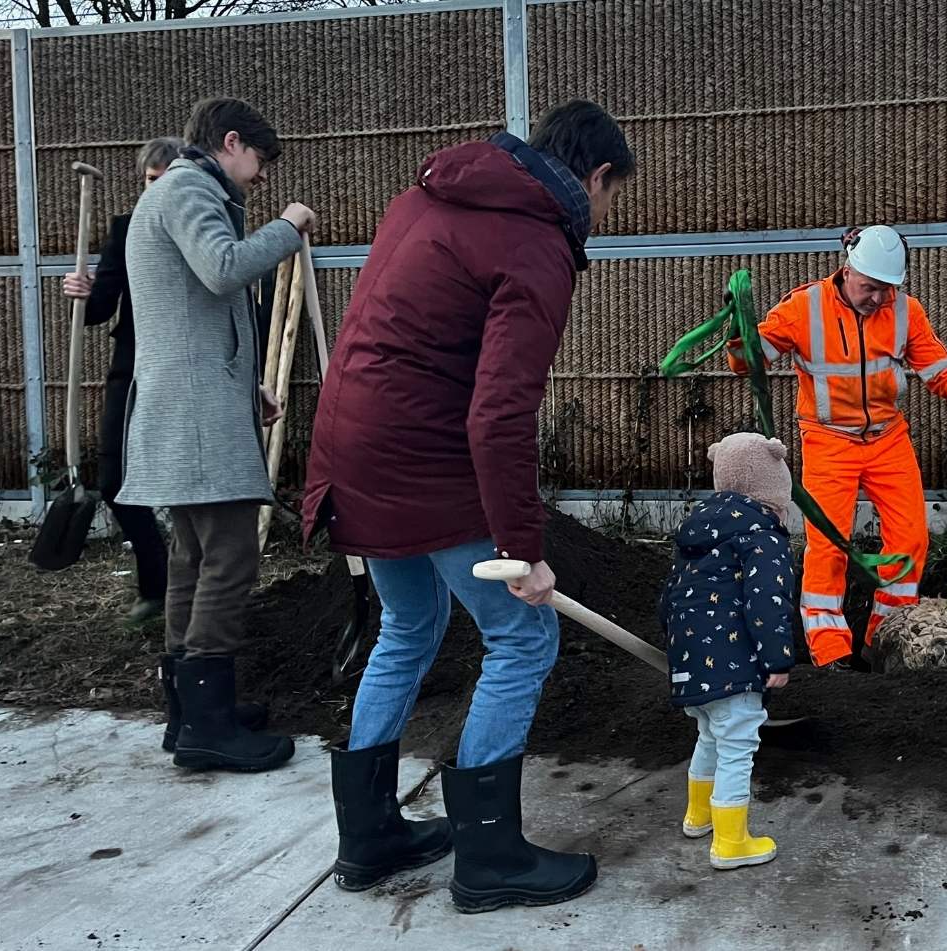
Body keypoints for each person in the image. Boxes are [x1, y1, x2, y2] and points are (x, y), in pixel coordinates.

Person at [301, 100, 634, 911]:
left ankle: (369, 836)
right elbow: (499, 410)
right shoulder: (534, 242)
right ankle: (488, 857)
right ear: (593, 176)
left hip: (353, 442)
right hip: (427, 456)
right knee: (522, 636)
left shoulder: (423, 200)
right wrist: (524, 545)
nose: (607, 211)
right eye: (613, 194)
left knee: (408, 625)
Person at [120, 97, 316, 772]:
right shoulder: (187, 189)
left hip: (194, 403)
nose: (260, 178)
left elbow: (192, 306)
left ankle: (191, 714)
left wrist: (245, 385)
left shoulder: (180, 191)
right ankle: (205, 722)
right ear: (231, 142)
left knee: (193, 559)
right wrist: (287, 228)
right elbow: (224, 268)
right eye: (259, 161)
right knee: (229, 557)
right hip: (196, 417)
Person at [728, 225, 947, 671]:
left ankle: (885, 638)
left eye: (887, 289)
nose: (878, 298)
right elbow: (748, 361)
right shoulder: (804, 308)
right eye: (870, 287)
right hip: (827, 440)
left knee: (911, 539)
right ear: (848, 269)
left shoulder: (905, 312)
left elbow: (938, 368)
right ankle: (831, 652)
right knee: (828, 546)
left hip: (887, 439)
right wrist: (738, 337)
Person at [661, 432, 797, 870]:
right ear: (774, 491)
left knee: (709, 736)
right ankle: (731, 842)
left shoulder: (697, 536)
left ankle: (698, 815)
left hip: (691, 664)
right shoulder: (763, 537)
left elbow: (668, 601)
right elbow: (768, 599)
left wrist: (677, 652)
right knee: (738, 746)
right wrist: (778, 659)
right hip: (736, 667)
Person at [60, 138, 181, 627]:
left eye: (168, 178)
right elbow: (99, 310)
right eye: (152, 180)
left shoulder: (205, 228)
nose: (160, 188)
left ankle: (194, 589)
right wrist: (82, 294)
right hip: (132, 366)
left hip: (185, 366)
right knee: (115, 480)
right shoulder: (127, 231)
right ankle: (158, 581)